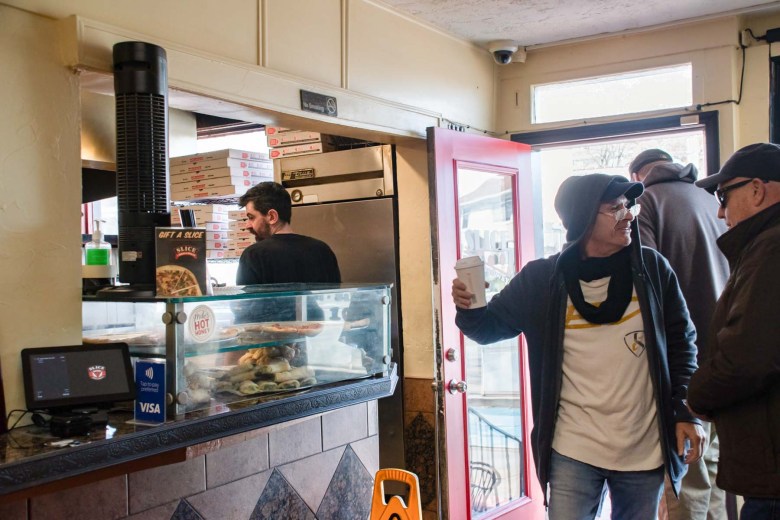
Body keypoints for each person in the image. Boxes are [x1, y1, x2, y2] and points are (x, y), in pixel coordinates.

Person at [452, 173, 705, 519]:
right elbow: (486, 328)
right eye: (615, 208)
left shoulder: (652, 272)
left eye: (628, 205)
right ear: (584, 217)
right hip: (573, 449)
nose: (629, 215)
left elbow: (683, 344)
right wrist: (470, 305)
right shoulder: (542, 280)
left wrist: (686, 410)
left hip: (643, 448)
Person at [629, 149, 729, 520]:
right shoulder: (711, 201)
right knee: (714, 476)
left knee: (685, 481)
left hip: (682, 364)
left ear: (638, 176)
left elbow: (648, 287)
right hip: (725, 358)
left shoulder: (648, 204)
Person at [688, 142, 780, 520]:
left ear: (757, 190)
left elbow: (748, 355)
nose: (721, 212)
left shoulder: (771, 248)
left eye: (724, 195)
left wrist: (698, 397)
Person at [234, 181, 341, 322]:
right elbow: (336, 302)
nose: (248, 225)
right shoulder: (322, 249)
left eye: (251, 217)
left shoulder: (254, 255)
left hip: (272, 340)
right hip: (316, 338)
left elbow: (246, 312)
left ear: (272, 217)